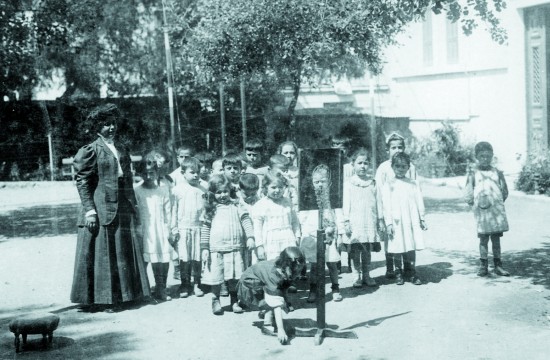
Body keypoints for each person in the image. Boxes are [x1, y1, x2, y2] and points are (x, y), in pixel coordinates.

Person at [70, 103, 150, 311]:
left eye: (113, 123)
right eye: (106, 124)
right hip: (101, 208)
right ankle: (107, 299)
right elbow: (82, 182)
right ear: (98, 127)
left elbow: (128, 178)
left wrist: (133, 205)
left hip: (122, 205)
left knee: (122, 251)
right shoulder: (91, 150)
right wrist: (90, 210)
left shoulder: (121, 148)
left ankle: (128, 295)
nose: (111, 127)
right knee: (105, 253)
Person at [200, 175, 255, 315]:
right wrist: (204, 248)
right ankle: (215, 299)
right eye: (218, 192)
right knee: (216, 277)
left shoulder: (237, 206)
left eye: (225, 191)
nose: (222, 195)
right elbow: (205, 229)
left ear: (230, 191)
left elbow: (246, 221)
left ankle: (234, 300)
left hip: (235, 247)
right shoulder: (210, 208)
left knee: (234, 277)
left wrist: (250, 237)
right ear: (212, 194)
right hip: (216, 249)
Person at [237, 246, 306, 345]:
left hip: (258, 282)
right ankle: (267, 325)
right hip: (249, 287)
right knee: (273, 301)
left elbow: (282, 287)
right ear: (287, 266)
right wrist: (281, 330)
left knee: (276, 296)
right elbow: (276, 302)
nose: (298, 272)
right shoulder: (273, 276)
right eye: (296, 269)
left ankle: (265, 312)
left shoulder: (281, 266)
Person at [375, 132, 418, 279]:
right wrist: (381, 218)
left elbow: (414, 189)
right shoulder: (383, 168)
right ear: (388, 150)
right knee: (391, 239)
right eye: (393, 147)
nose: (397, 150)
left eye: (400, 147)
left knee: (407, 238)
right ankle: (390, 267)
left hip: (406, 210)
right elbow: (379, 194)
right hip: (390, 212)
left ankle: (408, 268)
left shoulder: (410, 166)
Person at [464, 141, 510, 277]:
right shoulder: (473, 173)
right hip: (482, 212)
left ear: (492, 156)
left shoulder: (497, 173)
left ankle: (498, 265)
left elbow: (504, 191)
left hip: (496, 212)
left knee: (496, 238)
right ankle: (483, 265)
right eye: (482, 156)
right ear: (477, 157)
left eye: (488, 156)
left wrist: (496, 202)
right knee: (483, 239)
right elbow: (468, 192)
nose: (485, 159)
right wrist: (475, 205)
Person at [381, 152, 427, 285]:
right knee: (397, 247)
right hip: (396, 221)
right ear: (392, 167)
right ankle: (398, 272)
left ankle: (412, 271)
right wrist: (388, 223)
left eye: (403, 166)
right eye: (397, 166)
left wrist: (422, 218)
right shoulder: (388, 184)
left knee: (410, 246)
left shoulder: (413, 183)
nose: (400, 169)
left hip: (410, 220)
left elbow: (419, 201)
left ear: (408, 167)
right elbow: (386, 206)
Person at [134, 154, 176, 301]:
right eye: (144, 173)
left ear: (156, 173)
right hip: (145, 230)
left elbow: (168, 210)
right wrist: (138, 229)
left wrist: (169, 228)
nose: (148, 176)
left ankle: (161, 288)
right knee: (146, 259)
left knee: (163, 259)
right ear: (140, 174)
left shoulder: (162, 189)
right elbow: (136, 211)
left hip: (160, 228)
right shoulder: (137, 190)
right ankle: (143, 291)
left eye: (151, 172)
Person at [299, 164, 343, 302]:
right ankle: (313, 290)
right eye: (316, 182)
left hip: (329, 235)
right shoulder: (308, 200)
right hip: (313, 236)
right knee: (314, 265)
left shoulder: (333, 199)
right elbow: (302, 218)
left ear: (329, 182)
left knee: (332, 263)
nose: (319, 185)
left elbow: (339, 216)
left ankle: (335, 288)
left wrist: (340, 234)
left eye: (323, 181)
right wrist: (304, 235)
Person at [342, 148, 382, 288]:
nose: (363, 166)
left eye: (366, 163)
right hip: (355, 223)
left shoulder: (372, 182)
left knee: (367, 250)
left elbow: (377, 203)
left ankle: (366, 274)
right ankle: (356, 276)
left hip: (369, 221)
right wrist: (346, 221)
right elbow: (345, 204)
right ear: (353, 164)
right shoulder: (348, 184)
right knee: (355, 251)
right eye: (359, 163)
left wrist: (379, 220)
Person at [171, 157, 208, 298]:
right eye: (192, 172)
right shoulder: (177, 190)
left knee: (197, 258)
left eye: (198, 172)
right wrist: (174, 229)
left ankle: (197, 283)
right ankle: (185, 284)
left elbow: (206, 208)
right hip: (183, 228)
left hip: (198, 228)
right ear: (183, 173)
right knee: (184, 259)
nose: (196, 175)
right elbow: (173, 210)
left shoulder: (203, 188)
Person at [252, 172, 301, 262]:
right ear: (266, 188)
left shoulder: (288, 202)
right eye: (273, 187)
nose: (277, 190)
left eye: (280, 187)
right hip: (270, 241)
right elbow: (257, 228)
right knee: (273, 264)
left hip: (288, 239)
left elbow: (295, 221)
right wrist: (259, 246)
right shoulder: (261, 205)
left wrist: (297, 236)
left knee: (289, 263)